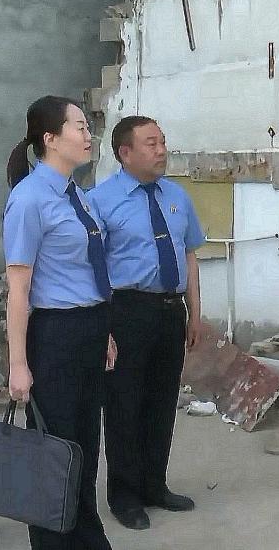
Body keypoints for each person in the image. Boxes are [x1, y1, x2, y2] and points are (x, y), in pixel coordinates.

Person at [4, 95, 115, 550]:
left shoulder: (78, 195)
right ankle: (54, 542)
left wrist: (104, 331)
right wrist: (18, 364)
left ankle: (86, 535)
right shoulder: (29, 199)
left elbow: (87, 270)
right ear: (50, 138)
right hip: (54, 336)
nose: (88, 135)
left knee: (85, 445)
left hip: (89, 328)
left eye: (88, 127)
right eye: (79, 127)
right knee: (55, 451)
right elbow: (18, 289)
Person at [86, 116, 206, 530]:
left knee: (161, 402)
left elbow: (189, 254)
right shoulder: (100, 201)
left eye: (162, 142)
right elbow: (93, 267)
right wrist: (102, 326)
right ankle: (124, 495)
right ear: (125, 153)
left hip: (170, 310)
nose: (161, 151)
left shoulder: (176, 196)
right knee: (124, 405)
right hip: (126, 310)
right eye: (151, 144)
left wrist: (195, 313)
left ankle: (155, 484)